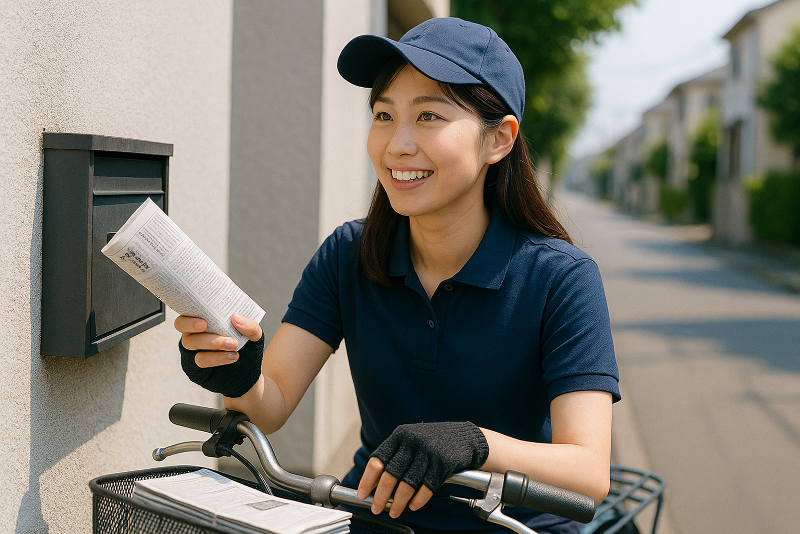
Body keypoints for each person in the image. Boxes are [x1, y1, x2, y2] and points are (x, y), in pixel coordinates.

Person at [175, 17, 620, 534]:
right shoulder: (349, 253)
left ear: (499, 139)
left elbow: (588, 472)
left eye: (429, 116)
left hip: (515, 527)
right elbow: (268, 406)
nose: (397, 145)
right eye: (384, 115)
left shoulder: (561, 279)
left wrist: (473, 442)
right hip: (376, 519)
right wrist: (237, 372)